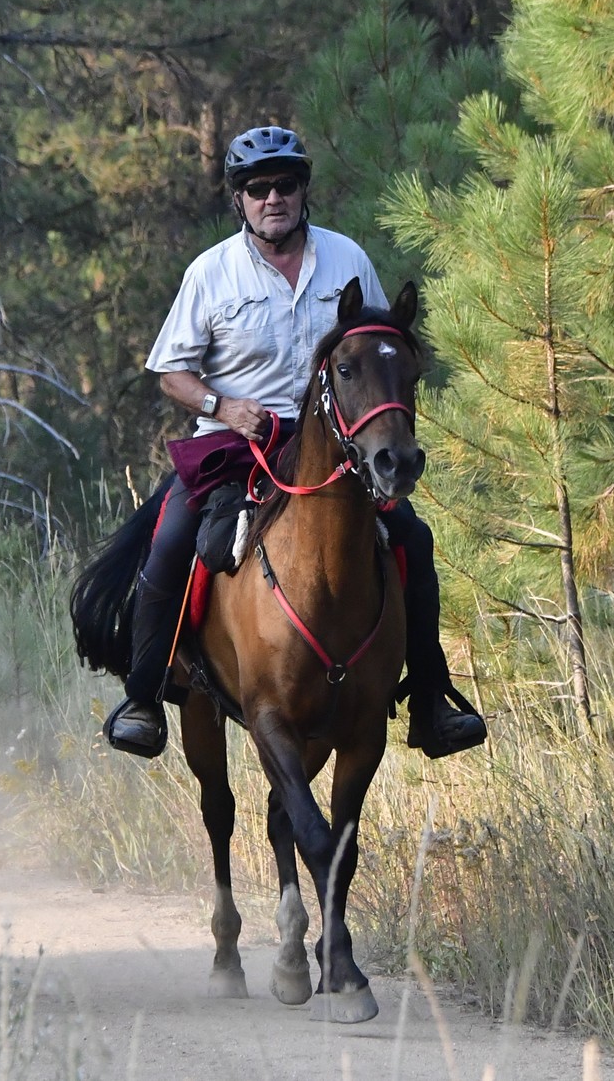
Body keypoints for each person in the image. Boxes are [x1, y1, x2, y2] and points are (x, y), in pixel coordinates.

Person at [102, 124, 487, 761]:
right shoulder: (212, 274)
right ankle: (145, 696)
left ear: (303, 191)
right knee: (173, 534)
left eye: (284, 185)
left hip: (334, 448)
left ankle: (429, 701)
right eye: (257, 188)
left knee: (413, 540)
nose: (271, 198)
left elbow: (379, 346)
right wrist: (221, 405)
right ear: (239, 199)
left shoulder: (347, 260)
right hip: (237, 446)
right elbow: (171, 370)